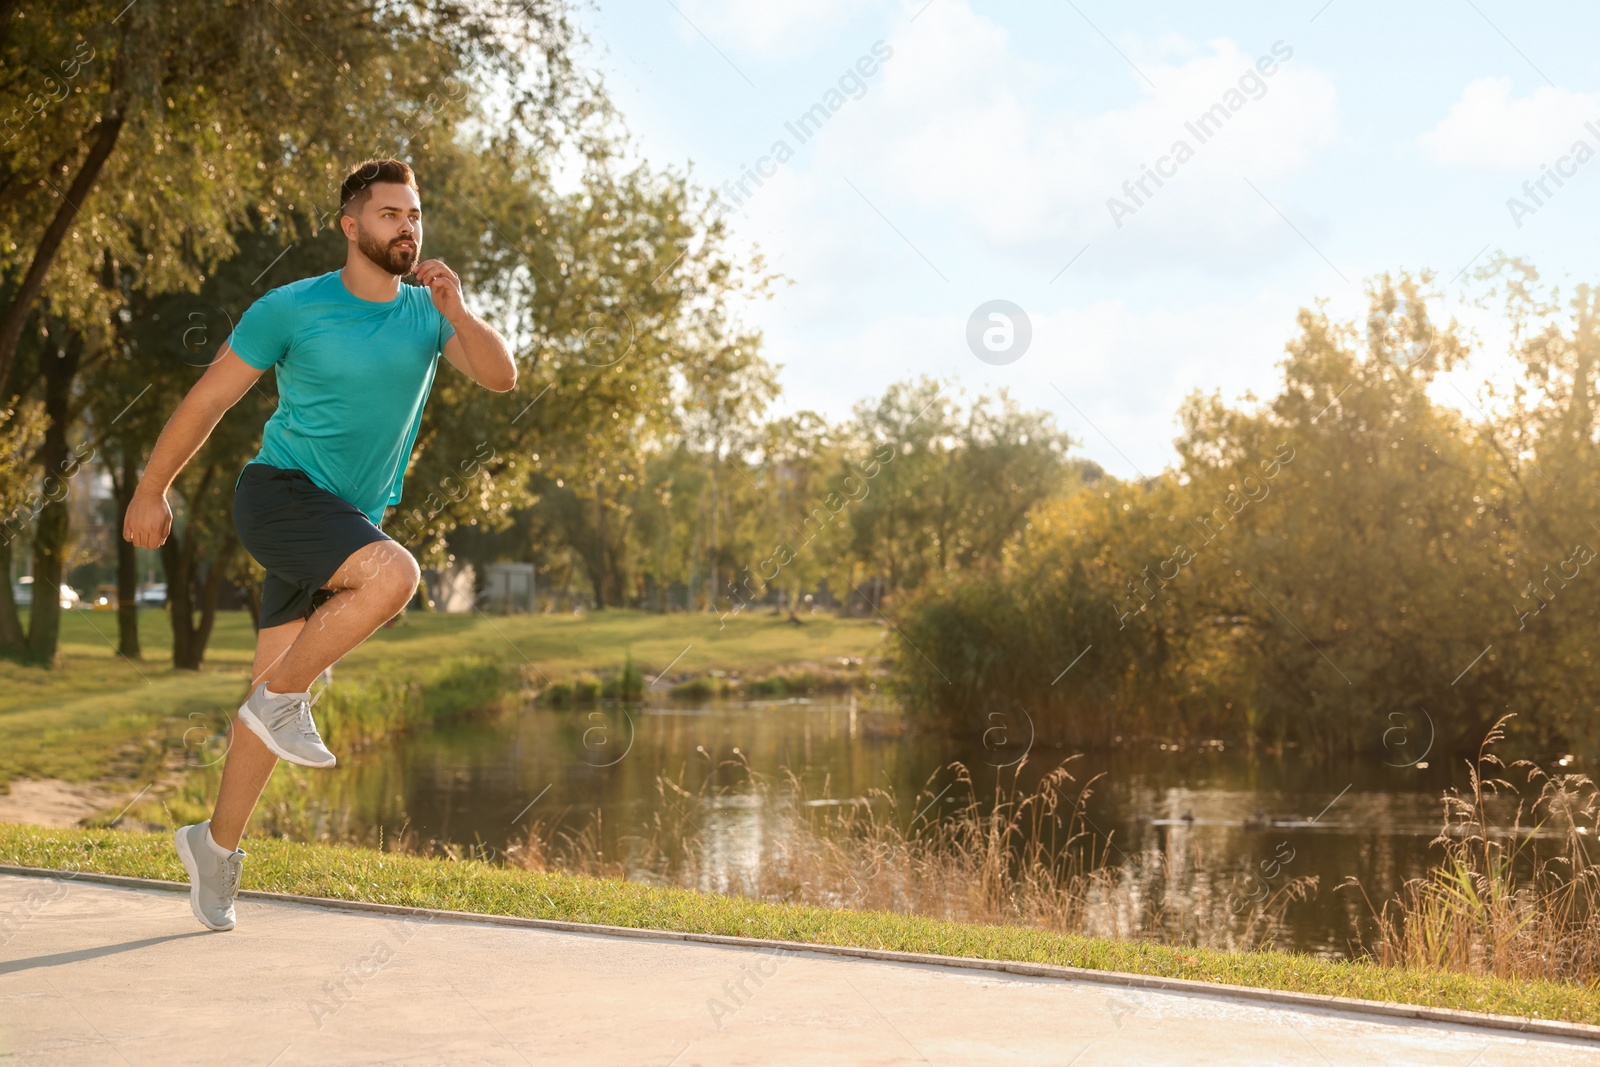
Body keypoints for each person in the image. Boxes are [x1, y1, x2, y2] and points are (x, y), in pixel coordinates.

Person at [122, 158, 517, 932]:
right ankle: (282, 700)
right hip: (278, 496)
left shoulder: (431, 315)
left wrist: (459, 310)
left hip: (344, 521)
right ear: (351, 225)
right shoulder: (292, 308)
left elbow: (502, 377)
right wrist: (149, 488)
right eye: (389, 214)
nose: (407, 227)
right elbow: (208, 399)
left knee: (269, 690)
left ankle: (215, 847)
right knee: (393, 576)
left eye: (414, 215)